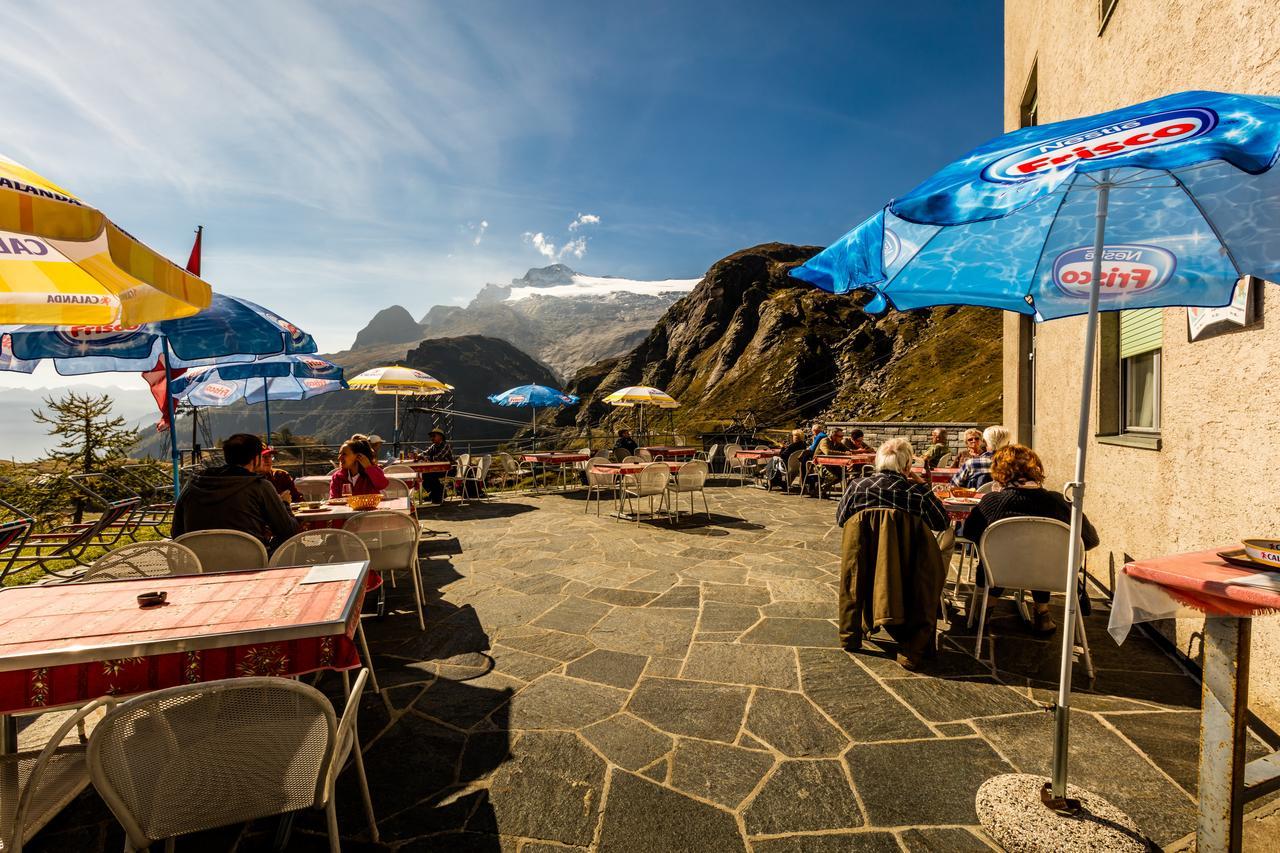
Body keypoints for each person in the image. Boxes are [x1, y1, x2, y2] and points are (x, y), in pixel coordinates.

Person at [960, 444, 1099, 635]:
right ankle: (1042, 614)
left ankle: (984, 613)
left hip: (998, 573)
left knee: (996, 557)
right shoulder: (1060, 502)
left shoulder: (992, 502)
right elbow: (1090, 541)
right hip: (1051, 575)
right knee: (1043, 556)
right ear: (1036, 469)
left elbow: (969, 532)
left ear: (999, 472)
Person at [836, 438, 949, 668]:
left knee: (854, 573)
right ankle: (911, 648)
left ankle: (850, 635)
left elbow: (841, 520)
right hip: (907, 566)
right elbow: (942, 522)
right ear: (907, 466)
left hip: (863, 560)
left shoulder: (858, 486)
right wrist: (922, 486)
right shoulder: (915, 493)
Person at [171, 433, 299, 551]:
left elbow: (176, 533)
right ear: (255, 459)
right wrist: (285, 504)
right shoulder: (260, 486)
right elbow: (287, 531)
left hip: (199, 565)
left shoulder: (193, 485)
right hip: (251, 563)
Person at [950, 425, 1010, 490]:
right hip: (1006, 499)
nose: (974, 441)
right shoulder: (1015, 464)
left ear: (984, 442)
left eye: (977, 438)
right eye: (970, 439)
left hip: (978, 499)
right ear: (1008, 443)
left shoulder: (972, 463)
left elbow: (954, 486)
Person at [420, 428, 452, 505]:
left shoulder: (445, 446)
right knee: (423, 475)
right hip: (437, 469)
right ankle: (438, 494)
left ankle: (437, 495)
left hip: (449, 469)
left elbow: (437, 458)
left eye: (434, 436)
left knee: (430, 476)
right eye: (431, 436)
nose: (432, 438)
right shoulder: (433, 446)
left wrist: (424, 457)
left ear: (440, 437)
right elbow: (424, 453)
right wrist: (418, 455)